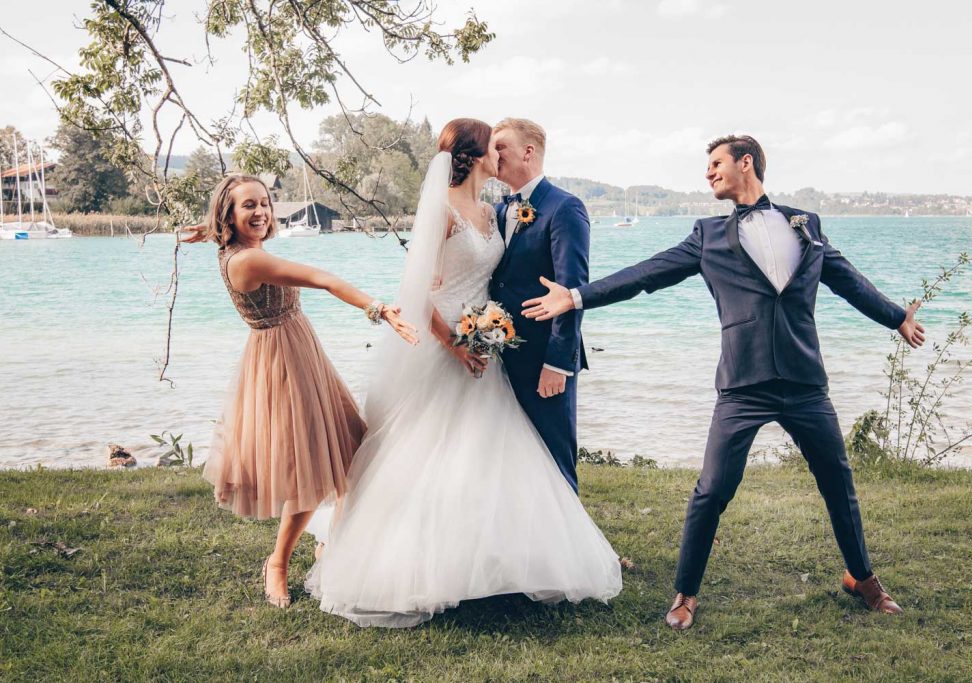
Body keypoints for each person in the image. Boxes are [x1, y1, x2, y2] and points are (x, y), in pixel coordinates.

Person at [522, 135, 925, 630]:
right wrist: (577, 298)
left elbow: (846, 279)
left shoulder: (806, 224)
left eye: (716, 163)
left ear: (746, 162)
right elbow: (648, 274)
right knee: (712, 490)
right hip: (743, 385)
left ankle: (862, 578)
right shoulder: (708, 236)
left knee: (838, 482)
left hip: (804, 382)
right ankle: (686, 593)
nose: (708, 173)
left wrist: (895, 318)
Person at [304, 119, 621, 628]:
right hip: (449, 346)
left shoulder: (504, 210)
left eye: (505, 146)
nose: (499, 155)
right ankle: (418, 567)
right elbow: (418, 292)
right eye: (493, 148)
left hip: (492, 349)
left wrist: (526, 347)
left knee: (495, 454)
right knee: (431, 453)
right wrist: (455, 342)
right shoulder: (450, 210)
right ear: (476, 157)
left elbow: (563, 286)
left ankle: (516, 558)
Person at [186, 174, 417, 608]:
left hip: (297, 348)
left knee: (348, 447)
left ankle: (333, 543)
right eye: (248, 206)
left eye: (265, 203)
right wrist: (379, 308)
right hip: (283, 362)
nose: (261, 212)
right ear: (228, 216)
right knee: (308, 466)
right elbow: (321, 278)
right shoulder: (246, 262)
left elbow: (229, 237)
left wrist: (208, 231)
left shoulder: (239, 249)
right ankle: (277, 563)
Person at [489, 118, 590, 493]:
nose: (492, 154)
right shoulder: (499, 212)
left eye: (500, 146)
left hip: (544, 357)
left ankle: (570, 549)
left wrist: (558, 364)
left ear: (527, 151)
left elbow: (573, 291)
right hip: (501, 356)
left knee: (554, 456)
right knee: (513, 458)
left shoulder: (564, 207)